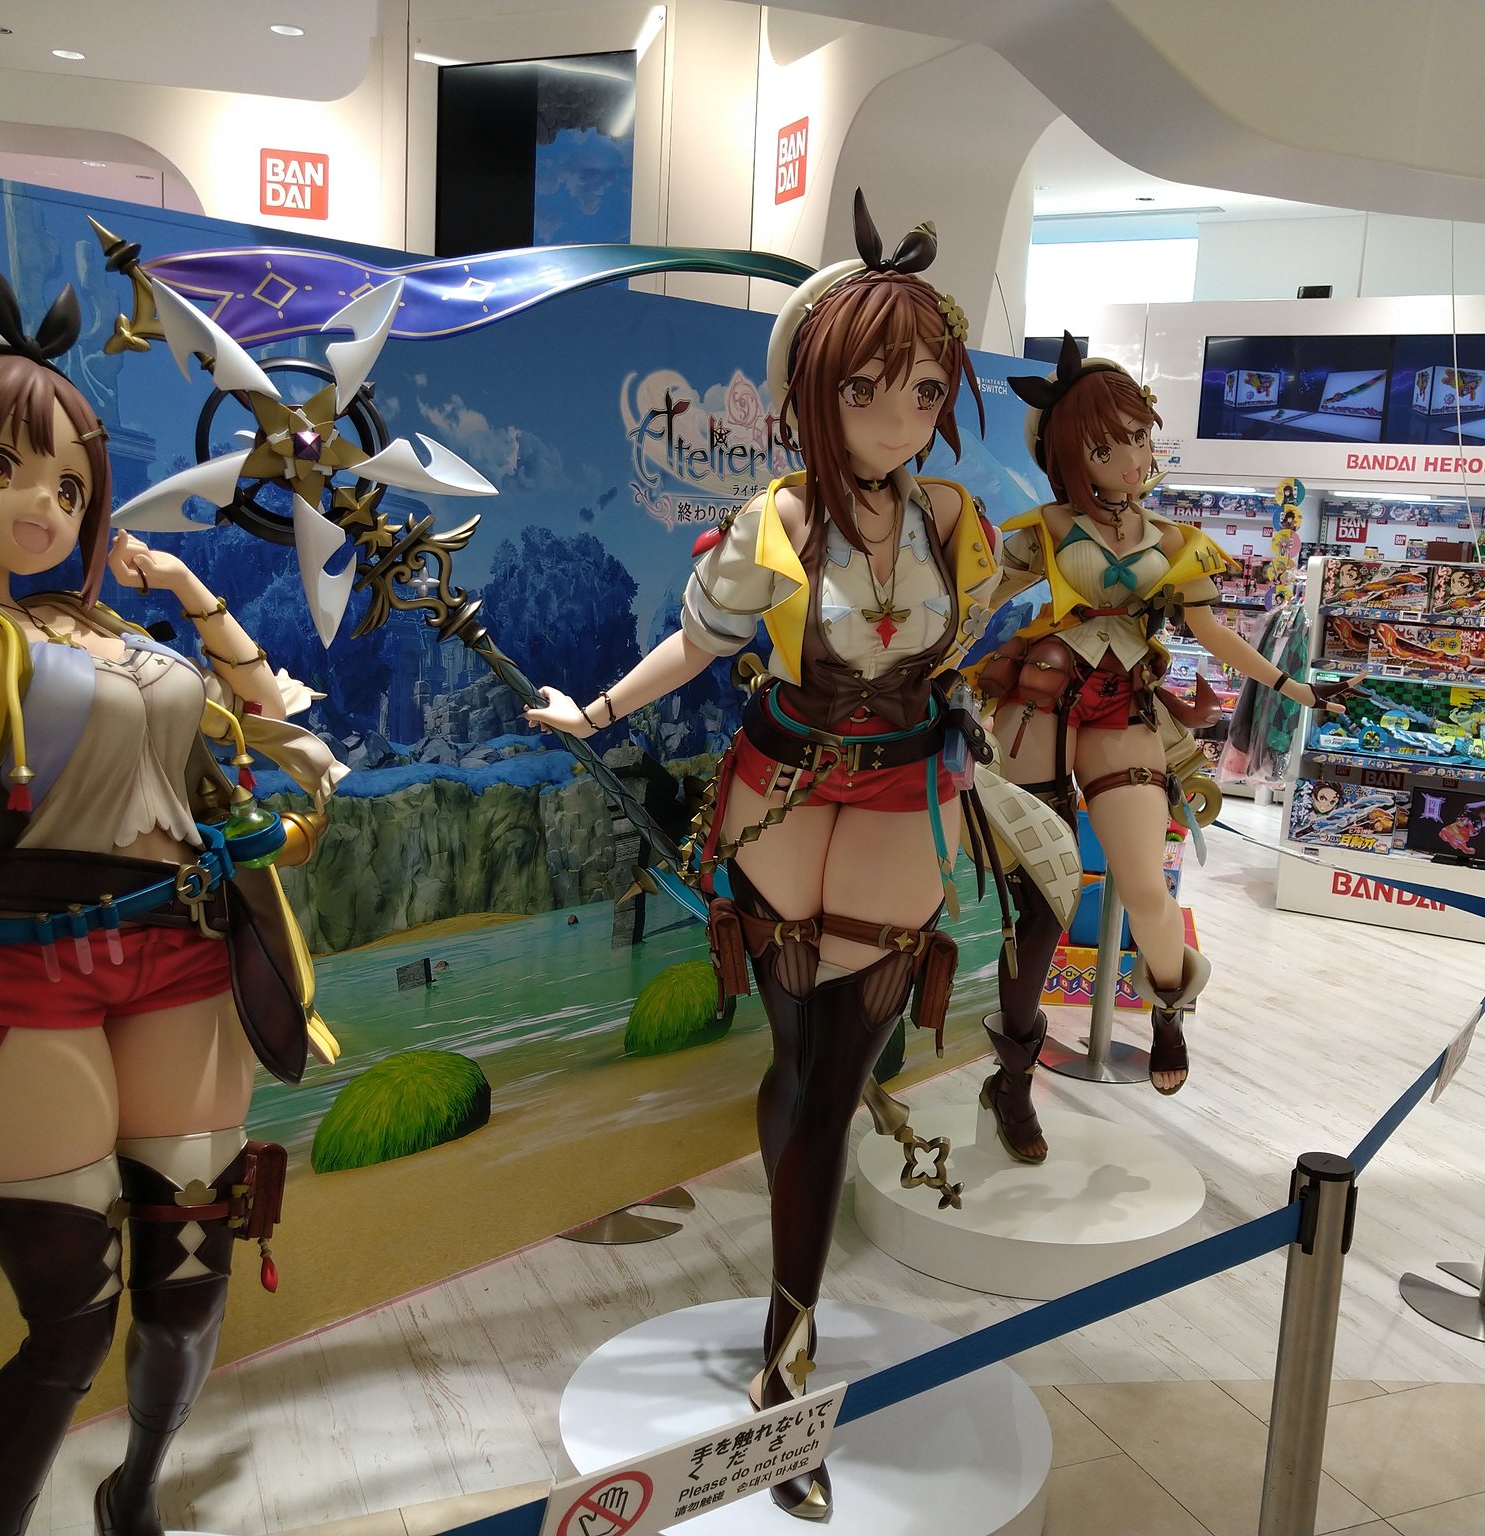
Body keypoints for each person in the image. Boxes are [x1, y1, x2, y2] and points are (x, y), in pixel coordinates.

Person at [0, 259, 341, 1536]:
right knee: (69, 1323)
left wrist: (185, 591)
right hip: (14, 974)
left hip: (180, 955)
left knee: (188, 1290)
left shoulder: (123, 635)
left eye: (70, 484)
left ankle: (133, 1496)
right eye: (2, 469)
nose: (45, 505)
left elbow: (272, 716)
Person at [525, 190, 998, 1521]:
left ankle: (786, 1343)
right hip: (782, 793)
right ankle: (787, 1357)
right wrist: (596, 714)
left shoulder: (954, 521)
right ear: (810, 393)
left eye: (923, 391)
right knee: (797, 1062)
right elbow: (701, 642)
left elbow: (956, 653)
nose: (898, 418)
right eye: (866, 389)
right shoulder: (774, 523)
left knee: (837, 1079)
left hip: (900, 788)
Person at [973, 334, 1349, 1157]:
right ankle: (1012, 1078)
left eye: (1139, 438)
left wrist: (1291, 686)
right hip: (1042, 697)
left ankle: (1169, 1007)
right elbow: (978, 599)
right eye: (1106, 447)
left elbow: (1212, 632)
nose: (1132, 458)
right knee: (1039, 904)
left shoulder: (1176, 543)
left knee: (1145, 885)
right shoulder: (1041, 530)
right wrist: (923, 661)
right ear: (1069, 456)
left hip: (1124, 705)